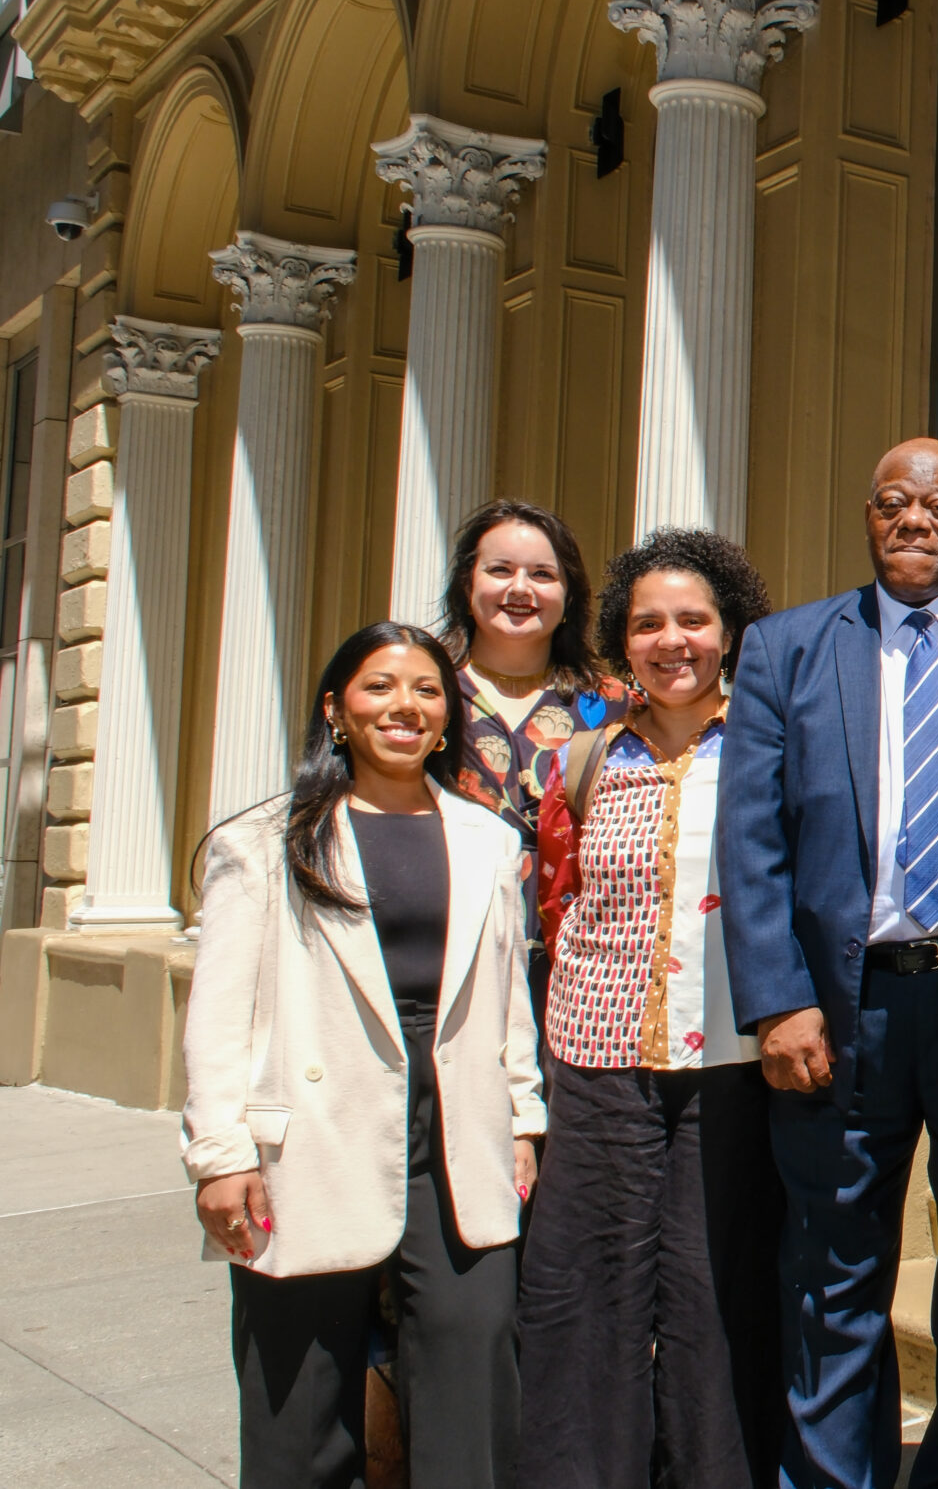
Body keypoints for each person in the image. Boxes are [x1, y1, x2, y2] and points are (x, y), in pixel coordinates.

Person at [719, 440, 938, 1489]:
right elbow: (750, 842)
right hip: (843, 1013)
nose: (914, 518)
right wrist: (777, 1004)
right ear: (868, 514)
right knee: (832, 1270)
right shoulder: (787, 648)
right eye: (894, 501)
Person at [183, 622, 544, 1489]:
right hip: (310, 1131)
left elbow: (506, 997)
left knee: (472, 1356)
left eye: (426, 689)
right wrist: (220, 1154)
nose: (405, 706)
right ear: (335, 709)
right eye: (379, 686)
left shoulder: (487, 839)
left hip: (458, 1129)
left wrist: (525, 1115)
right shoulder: (265, 840)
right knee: (299, 1398)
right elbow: (219, 1013)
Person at [516, 528, 786, 1487]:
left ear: (729, 630)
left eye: (694, 621)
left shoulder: (766, 748)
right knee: (586, 1305)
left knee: (719, 1305)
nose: (673, 641)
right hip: (598, 1065)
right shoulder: (582, 760)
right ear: (622, 639)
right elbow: (556, 905)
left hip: (730, 1069)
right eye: (648, 624)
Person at [437, 499, 629, 1017]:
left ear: (568, 596)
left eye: (543, 574)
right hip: (446, 948)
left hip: (584, 972)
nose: (520, 589)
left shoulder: (615, 706)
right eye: (500, 570)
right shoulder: (426, 694)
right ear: (466, 582)